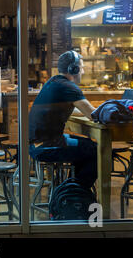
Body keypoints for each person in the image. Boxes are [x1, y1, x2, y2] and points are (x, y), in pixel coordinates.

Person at [28, 50, 97, 189]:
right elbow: (94, 115)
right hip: (47, 146)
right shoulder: (69, 87)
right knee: (95, 150)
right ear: (74, 69)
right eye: (81, 68)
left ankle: (71, 187)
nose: (82, 72)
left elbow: (76, 110)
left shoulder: (53, 82)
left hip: (35, 144)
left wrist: (87, 111)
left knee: (86, 145)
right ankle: (75, 193)